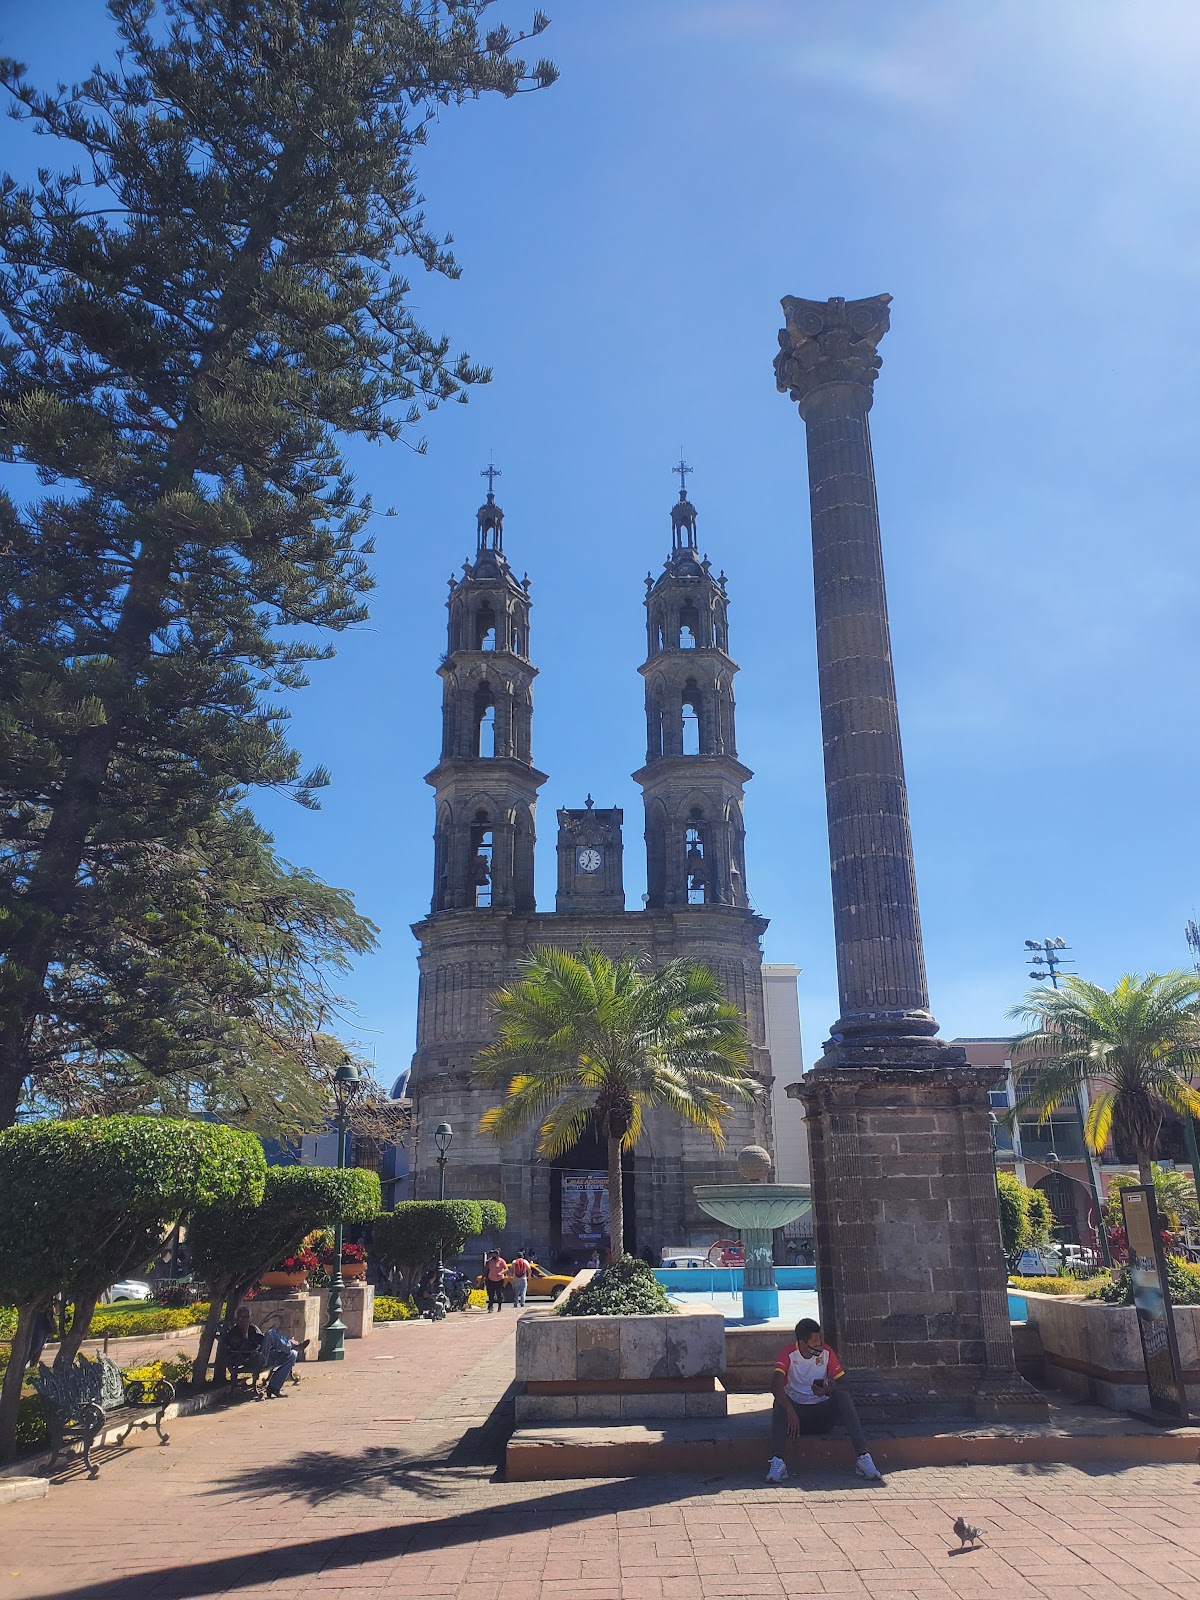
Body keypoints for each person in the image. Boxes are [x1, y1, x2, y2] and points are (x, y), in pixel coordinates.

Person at [766, 1318, 884, 1485]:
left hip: (822, 1415)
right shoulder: (787, 1354)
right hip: (796, 1420)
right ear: (802, 1343)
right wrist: (790, 1411)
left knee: (842, 1396)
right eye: (814, 1341)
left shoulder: (827, 1353)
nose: (819, 1344)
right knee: (779, 1402)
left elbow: (846, 1384)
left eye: (820, 1339)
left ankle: (863, 1457)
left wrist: (829, 1389)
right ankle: (778, 1461)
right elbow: (775, 1385)